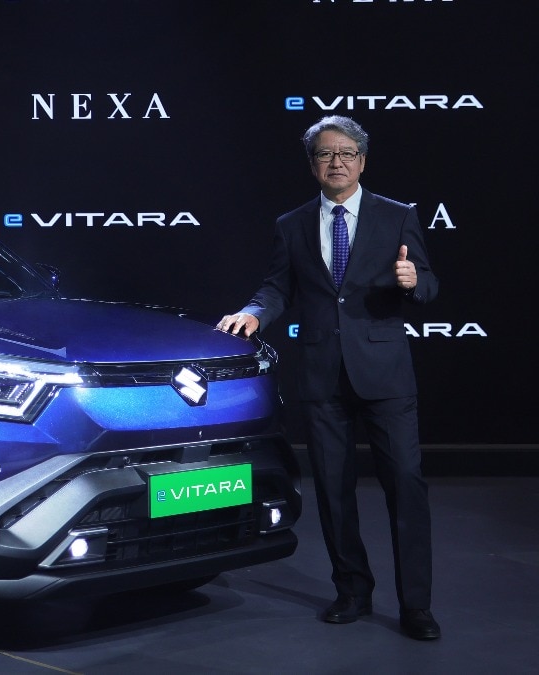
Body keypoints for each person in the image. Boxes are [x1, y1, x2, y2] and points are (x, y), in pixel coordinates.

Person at [217, 115, 440, 641]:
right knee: (334, 491)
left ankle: (416, 605)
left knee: (405, 486)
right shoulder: (291, 224)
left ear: (362, 161)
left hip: (385, 376)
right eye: (325, 154)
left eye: (346, 153)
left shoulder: (398, 216)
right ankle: (352, 591)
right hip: (322, 376)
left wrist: (414, 281)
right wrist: (253, 312)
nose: (336, 162)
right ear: (312, 164)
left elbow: (428, 284)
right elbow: (276, 287)